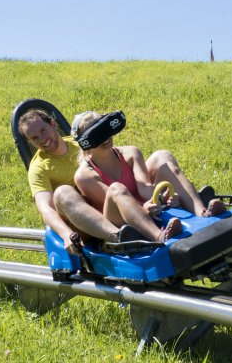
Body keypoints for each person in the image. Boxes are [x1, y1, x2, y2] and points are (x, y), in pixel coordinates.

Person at [70, 110, 224, 244]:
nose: (104, 138)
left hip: (145, 206)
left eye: (104, 129)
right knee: (117, 188)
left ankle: (203, 213)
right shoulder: (85, 176)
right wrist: (144, 209)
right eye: (96, 135)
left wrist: (163, 198)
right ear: (86, 143)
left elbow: (145, 189)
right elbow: (118, 202)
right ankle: (159, 236)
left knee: (162, 156)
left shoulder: (130, 152)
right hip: (120, 221)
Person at [17, 107, 142, 254]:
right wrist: (66, 234)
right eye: (35, 138)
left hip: (107, 205)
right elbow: (46, 209)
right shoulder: (38, 168)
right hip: (81, 223)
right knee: (63, 192)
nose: (42, 139)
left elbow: (114, 158)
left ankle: (145, 213)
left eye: (43, 131)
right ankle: (119, 238)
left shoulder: (80, 143)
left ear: (53, 124)